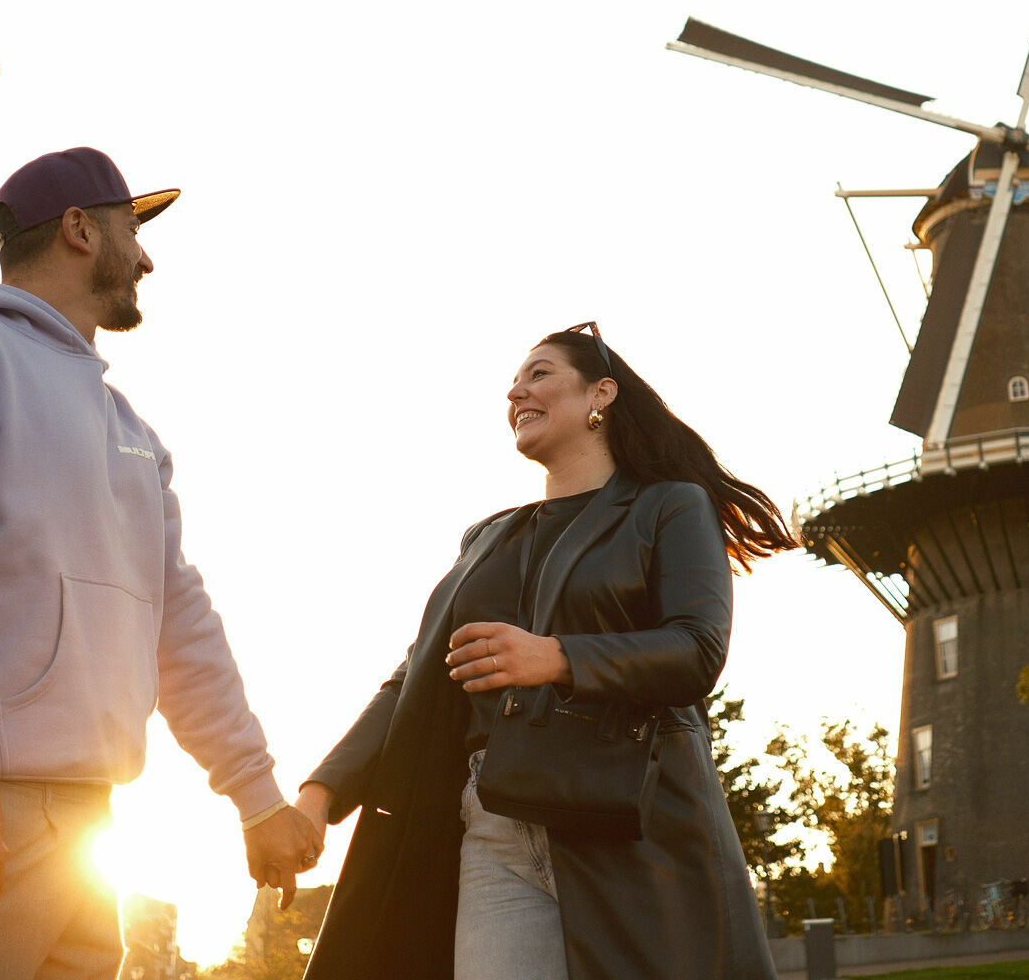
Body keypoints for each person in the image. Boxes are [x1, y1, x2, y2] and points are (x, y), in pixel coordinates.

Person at [0, 147, 322, 980]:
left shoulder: (132, 432)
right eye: (130, 230)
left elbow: (180, 627)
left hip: (88, 823)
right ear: (79, 229)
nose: (146, 256)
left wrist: (256, 795)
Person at [295, 323, 793, 979]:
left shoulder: (670, 507)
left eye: (539, 373)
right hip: (497, 827)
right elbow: (415, 679)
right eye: (514, 380)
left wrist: (556, 659)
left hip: (635, 828)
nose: (516, 390)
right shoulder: (489, 538)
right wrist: (319, 793)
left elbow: (696, 649)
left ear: (602, 394)